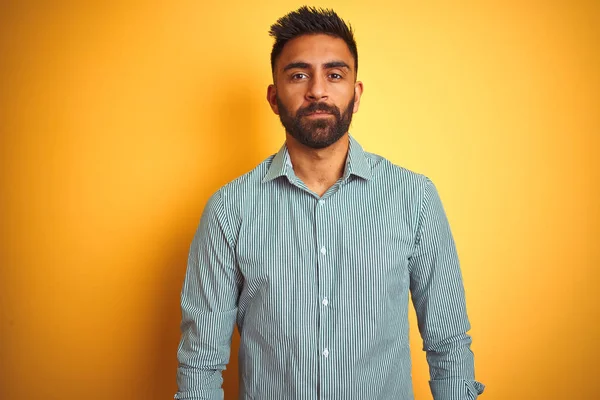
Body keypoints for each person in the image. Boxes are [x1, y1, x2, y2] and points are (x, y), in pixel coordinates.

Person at [175, 6, 484, 400]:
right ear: (273, 97)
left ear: (355, 95)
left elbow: (450, 346)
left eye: (334, 75)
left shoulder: (415, 199)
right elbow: (200, 364)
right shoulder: (228, 210)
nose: (317, 90)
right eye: (299, 74)